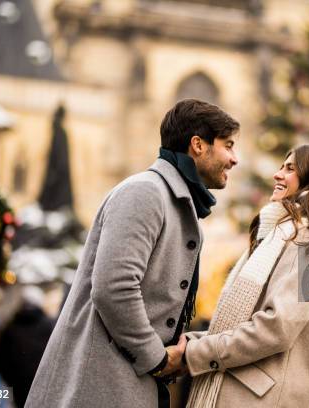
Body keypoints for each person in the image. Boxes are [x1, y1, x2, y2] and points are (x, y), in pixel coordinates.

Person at [26, 99, 240, 408]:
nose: (234, 159)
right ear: (198, 145)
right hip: (98, 388)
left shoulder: (172, 200)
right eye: (228, 145)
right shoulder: (145, 192)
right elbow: (114, 287)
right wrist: (157, 359)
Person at [182, 144, 309, 408]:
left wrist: (194, 352)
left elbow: (277, 327)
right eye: (281, 167)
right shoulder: (278, 238)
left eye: (290, 169)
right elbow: (240, 325)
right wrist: (191, 343)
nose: (278, 175)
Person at [0, 286, 55, 408]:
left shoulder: (10, 328)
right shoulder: (51, 326)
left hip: (18, 389)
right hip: (44, 388)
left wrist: (12, 379)